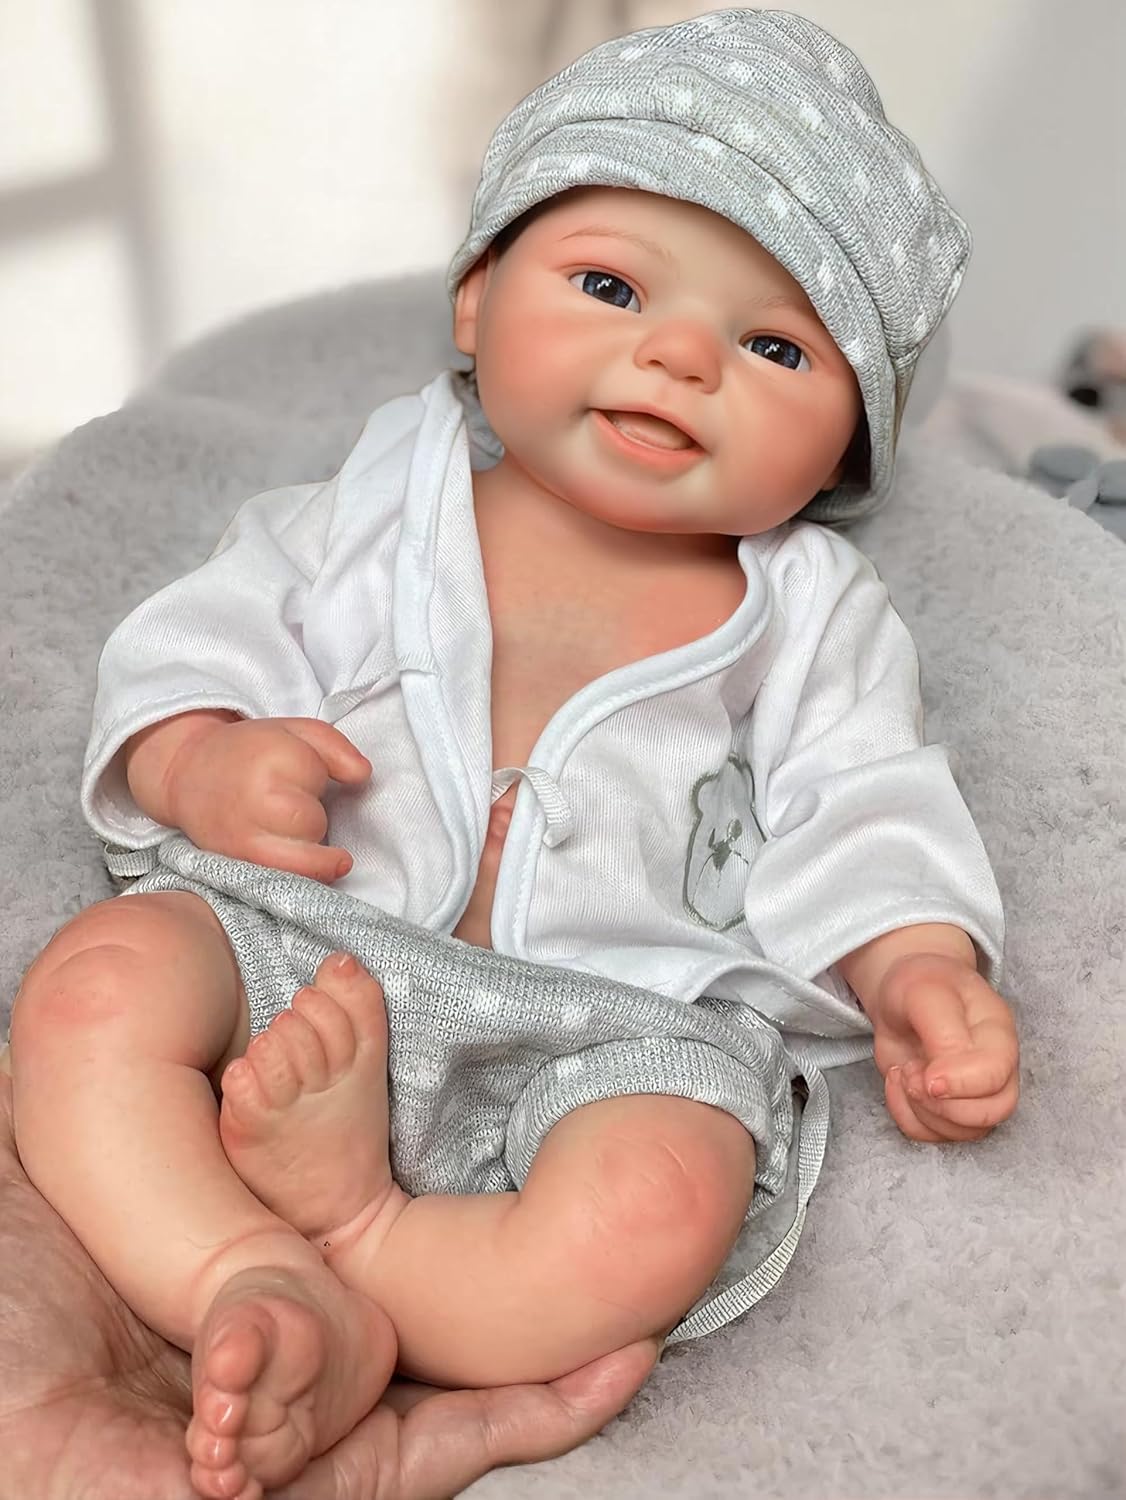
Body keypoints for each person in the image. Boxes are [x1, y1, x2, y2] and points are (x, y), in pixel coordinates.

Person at [7, 10, 1020, 1500]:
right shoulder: (391, 488)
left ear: (847, 445)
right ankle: (234, 1272)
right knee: (98, 988)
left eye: (772, 344)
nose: (677, 355)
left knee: (663, 1197)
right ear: (475, 301)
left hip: (606, 1028)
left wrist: (916, 963)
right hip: (308, 943)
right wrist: (196, 759)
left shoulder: (809, 607)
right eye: (610, 285)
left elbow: (862, 795)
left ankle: (363, 1256)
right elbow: (216, 623)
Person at [0, 1056, 657, 1500]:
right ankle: (304, 1262)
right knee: (86, 996)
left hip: (603, 1014)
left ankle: (287, 1260)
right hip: (286, 942)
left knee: (654, 1199)